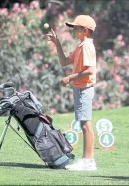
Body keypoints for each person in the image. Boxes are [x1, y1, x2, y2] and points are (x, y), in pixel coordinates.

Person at [46, 15, 97, 171]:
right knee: (84, 123)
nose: (73, 30)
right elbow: (64, 62)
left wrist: (69, 77)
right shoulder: (81, 46)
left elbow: (89, 71)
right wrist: (57, 44)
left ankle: (88, 161)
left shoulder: (87, 46)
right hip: (80, 88)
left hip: (84, 88)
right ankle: (88, 161)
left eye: (76, 28)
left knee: (86, 124)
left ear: (85, 30)